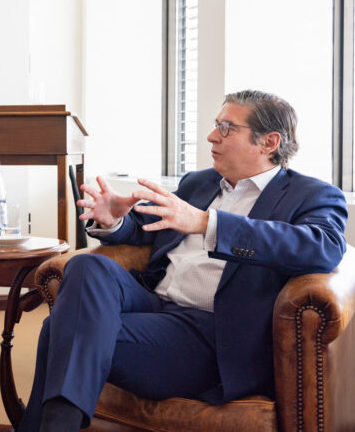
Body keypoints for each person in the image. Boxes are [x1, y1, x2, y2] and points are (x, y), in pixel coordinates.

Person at [18, 90, 348, 431]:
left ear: (269, 142)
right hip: (154, 303)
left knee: (58, 330)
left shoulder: (311, 195)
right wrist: (115, 220)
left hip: (211, 333)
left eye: (226, 127)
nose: (212, 136)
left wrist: (207, 223)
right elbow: (147, 227)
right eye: (216, 124)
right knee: (86, 266)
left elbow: (323, 247)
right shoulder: (199, 183)